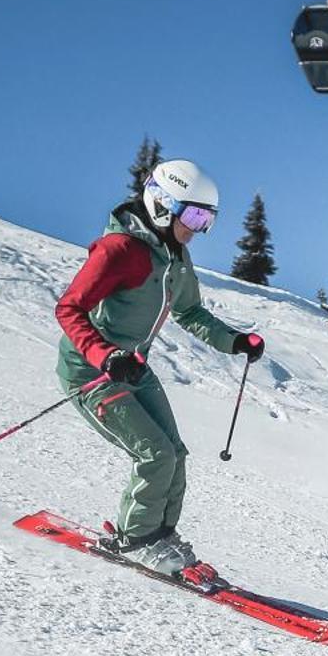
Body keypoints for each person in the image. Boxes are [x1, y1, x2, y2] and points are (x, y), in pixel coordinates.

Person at [53, 158, 265, 577]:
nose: (199, 228)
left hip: (133, 366)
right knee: (154, 454)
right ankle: (136, 539)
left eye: (208, 219)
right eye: (195, 215)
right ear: (163, 205)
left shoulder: (176, 259)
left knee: (175, 453)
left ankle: (161, 534)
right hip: (92, 371)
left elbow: (191, 314)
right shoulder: (120, 250)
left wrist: (236, 341)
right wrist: (104, 356)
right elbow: (69, 307)